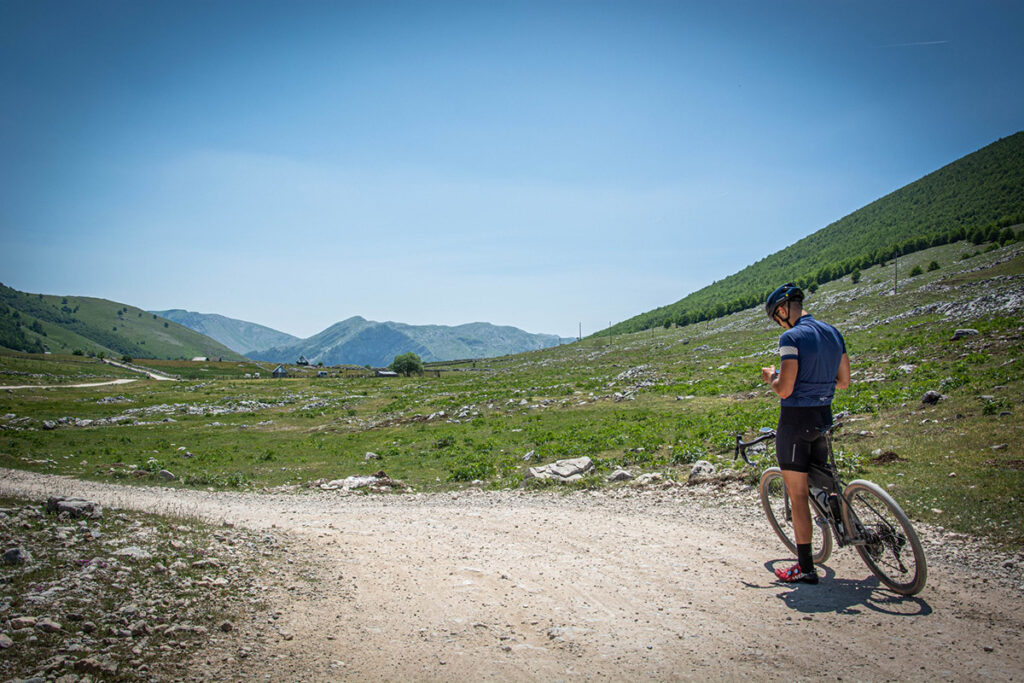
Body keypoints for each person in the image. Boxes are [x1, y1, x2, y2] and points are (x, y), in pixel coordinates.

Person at [761, 283, 850, 584]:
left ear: (783, 310)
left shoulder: (791, 337)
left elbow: (784, 388)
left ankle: (805, 567)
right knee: (825, 481)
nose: (778, 322)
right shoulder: (834, 333)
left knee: (798, 495)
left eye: (777, 317)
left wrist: (771, 377)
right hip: (824, 416)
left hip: (796, 421)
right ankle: (847, 524)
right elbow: (844, 380)